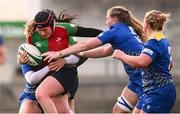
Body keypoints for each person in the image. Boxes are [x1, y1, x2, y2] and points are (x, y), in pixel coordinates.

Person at [42, 6, 146, 113]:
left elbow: (85, 45)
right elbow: (105, 51)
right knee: (118, 111)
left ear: (114, 20)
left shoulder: (115, 30)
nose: (106, 23)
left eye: (107, 19)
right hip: (136, 80)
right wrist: (81, 53)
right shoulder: (126, 29)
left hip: (146, 79)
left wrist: (59, 53)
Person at [18, 9, 102, 113]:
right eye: (40, 30)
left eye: (45, 30)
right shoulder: (32, 36)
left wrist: (109, 34)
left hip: (65, 73)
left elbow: (82, 51)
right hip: (44, 77)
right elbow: (32, 63)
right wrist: (23, 61)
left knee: (43, 94)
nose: (43, 33)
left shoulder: (64, 30)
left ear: (53, 24)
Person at [112, 10, 176, 113]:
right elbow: (170, 64)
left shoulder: (153, 41)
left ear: (146, 24)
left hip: (158, 91)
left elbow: (142, 62)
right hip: (153, 90)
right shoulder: (162, 38)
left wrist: (122, 55)